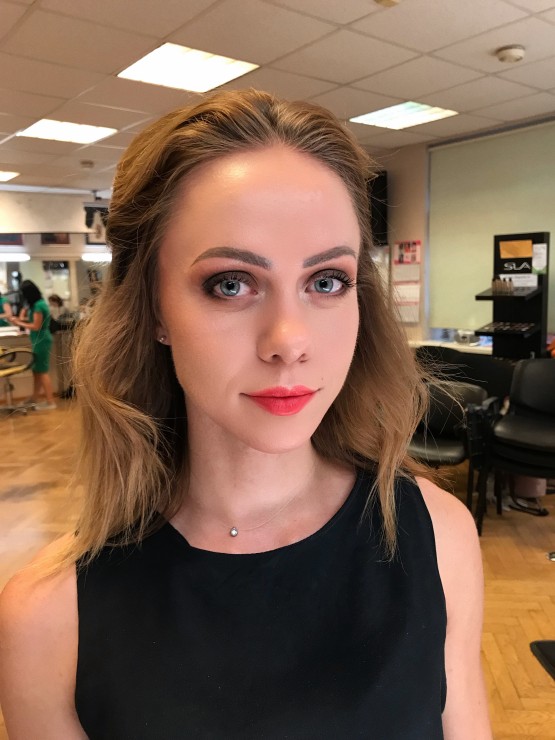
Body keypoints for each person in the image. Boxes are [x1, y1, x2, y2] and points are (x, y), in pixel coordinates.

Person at [0, 90, 491, 739]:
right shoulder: (48, 619)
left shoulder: (436, 535)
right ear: (153, 307)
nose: (289, 340)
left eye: (326, 281)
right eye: (230, 283)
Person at [7, 279, 56, 410]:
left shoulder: (39, 306)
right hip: (38, 339)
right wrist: (20, 318)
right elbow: (33, 319)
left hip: (42, 340)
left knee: (43, 371)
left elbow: (36, 326)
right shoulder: (37, 304)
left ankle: (50, 402)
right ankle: (34, 397)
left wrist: (19, 323)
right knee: (37, 370)